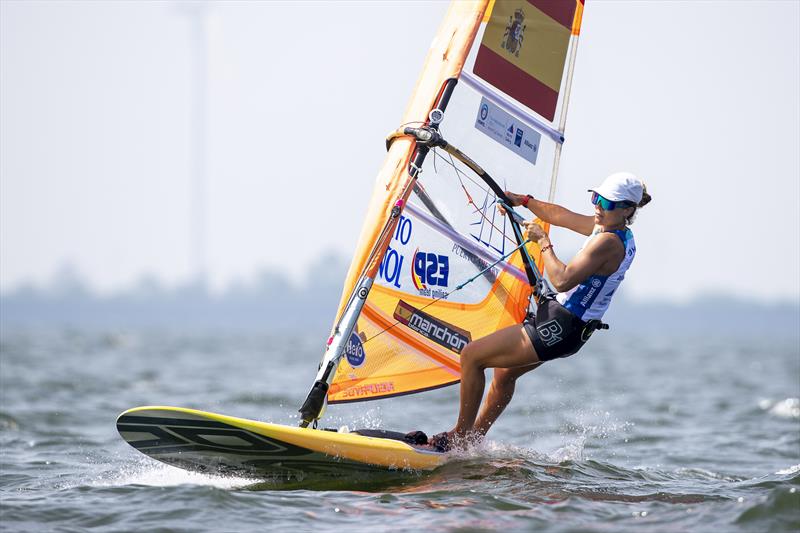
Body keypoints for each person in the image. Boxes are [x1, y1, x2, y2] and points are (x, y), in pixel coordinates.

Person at [428, 172, 652, 452]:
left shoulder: (608, 242)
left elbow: (562, 279)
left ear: (627, 210)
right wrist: (524, 201)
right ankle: (473, 439)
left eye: (606, 203)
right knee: (503, 375)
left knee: (471, 356)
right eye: (596, 198)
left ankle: (459, 438)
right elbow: (563, 216)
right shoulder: (614, 231)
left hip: (559, 325)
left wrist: (542, 240)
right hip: (569, 328)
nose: (597, 206)